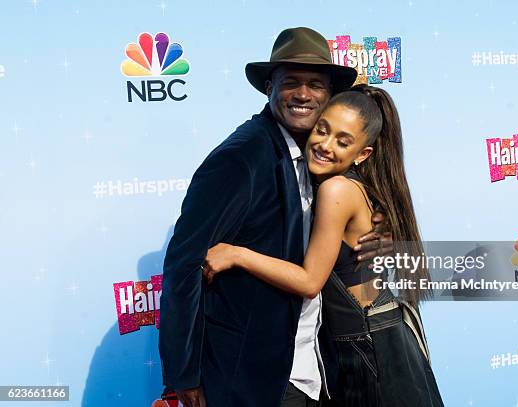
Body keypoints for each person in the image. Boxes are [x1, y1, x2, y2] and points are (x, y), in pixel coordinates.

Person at [159, 27, 390, 407]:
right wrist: (184, 372)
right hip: (252, 378)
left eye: (316, 84)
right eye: (291, 83)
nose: (303, 95)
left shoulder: (320, 155)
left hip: (313, 369)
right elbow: (184, 264)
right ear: (269, 87)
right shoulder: (242, 157)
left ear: (329, 96)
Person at [204, 85, 445, 406]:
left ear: (363, 154)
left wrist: (236, 254)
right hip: (377, 339)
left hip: (370, 347)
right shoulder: (353, 185)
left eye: (343, 142)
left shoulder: (336, 190)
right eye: (323, 130)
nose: (325, 145)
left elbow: (309, 281)